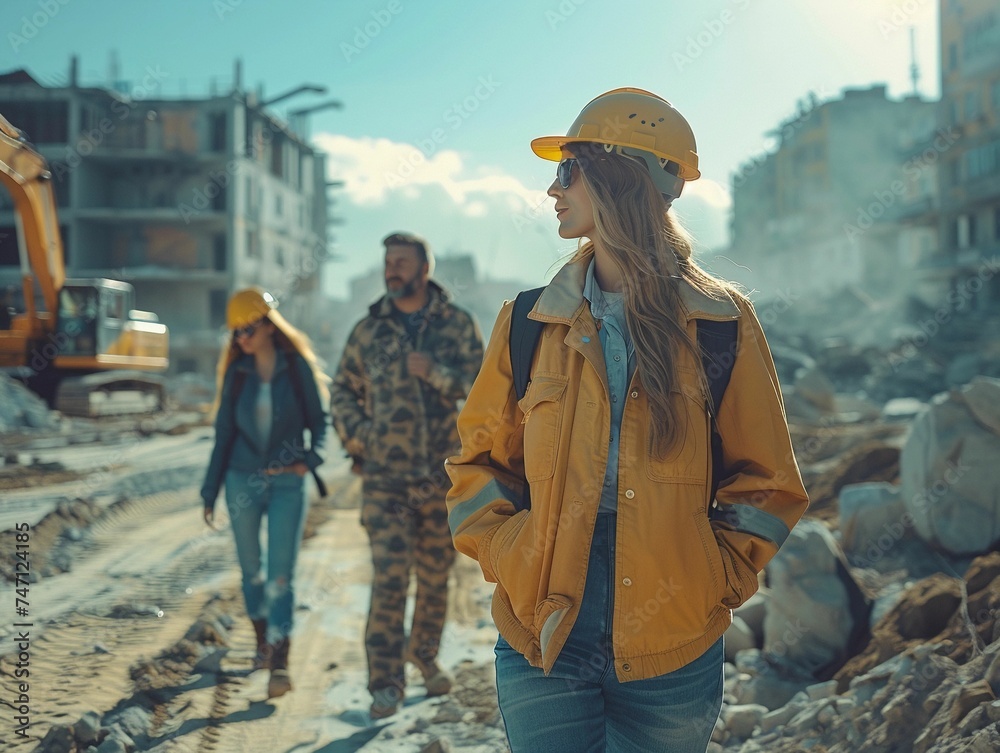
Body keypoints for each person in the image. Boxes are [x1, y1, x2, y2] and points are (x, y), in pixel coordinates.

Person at [444, 88, 810, 752]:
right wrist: (508, 550)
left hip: (673, 635)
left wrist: (715, 576)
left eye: (568, 170)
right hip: (544, 628)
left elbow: (768, 482)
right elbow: (478, 463)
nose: (553, 189)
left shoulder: (721, 322)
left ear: (620, 177)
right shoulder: (528, 321)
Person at [331, 232, 484, 719]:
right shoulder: (369, 331)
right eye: (388, 262)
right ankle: (385, 681)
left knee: (436, 577)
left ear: (424, 269)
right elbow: (342, 392)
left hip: (442, 478)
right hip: (386, 481)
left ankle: (424, 656)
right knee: (390, 579)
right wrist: (363, 438)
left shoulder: (457, 326)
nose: (391, 269)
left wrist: (436, 372)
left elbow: (485, 393)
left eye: (401, 262)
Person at [200, 287, 329, 699]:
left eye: (248, 329)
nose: (241, 339)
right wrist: (209, 491)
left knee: (280, 576)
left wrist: (309, 459)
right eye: (235, 332)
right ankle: (262, 642)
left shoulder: (296, 368)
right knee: (251, 571)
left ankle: (280, 662)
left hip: (288, 483)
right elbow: (223, 434)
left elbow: (319, 423)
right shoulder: (237, 374)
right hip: (242, 480)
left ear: (269, 325)